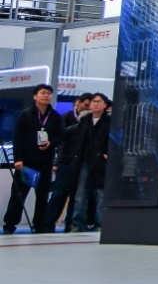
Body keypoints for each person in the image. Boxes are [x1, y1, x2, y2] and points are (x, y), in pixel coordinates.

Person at [3, 84, 64, 234]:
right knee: (19, 195)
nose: (46, 95)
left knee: (42, 196)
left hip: (45, 162)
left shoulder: (55, 116)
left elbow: (60, 136)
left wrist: (51, 143)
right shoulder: (25, 115)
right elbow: (18, 138)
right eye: (43, 93)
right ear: (35, 96)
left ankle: (39, 225)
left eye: (49, 93)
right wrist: (18, 159)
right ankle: (10, 225)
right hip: (27, 163)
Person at [46, 93, 93, 231]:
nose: (87, 108)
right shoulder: (66, 117)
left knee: (76, 194)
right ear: (78, 103)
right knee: (58, 193)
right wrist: (56, 162)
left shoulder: (92, 120)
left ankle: (70, 223)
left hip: (81, 161)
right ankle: (48, 223)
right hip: (65, 160)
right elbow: (61, 136)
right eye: (86, 105)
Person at [70, 93, 110, 232]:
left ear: (105, 105)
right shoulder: (85, 120)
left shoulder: (110, 121)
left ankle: (101, 223)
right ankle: (78, 223)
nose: (96, 104)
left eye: (99, 101)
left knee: (100, 194)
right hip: (85, 161)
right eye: (94, 101)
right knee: (80, 195)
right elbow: (77, 140)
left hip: (101, 162)